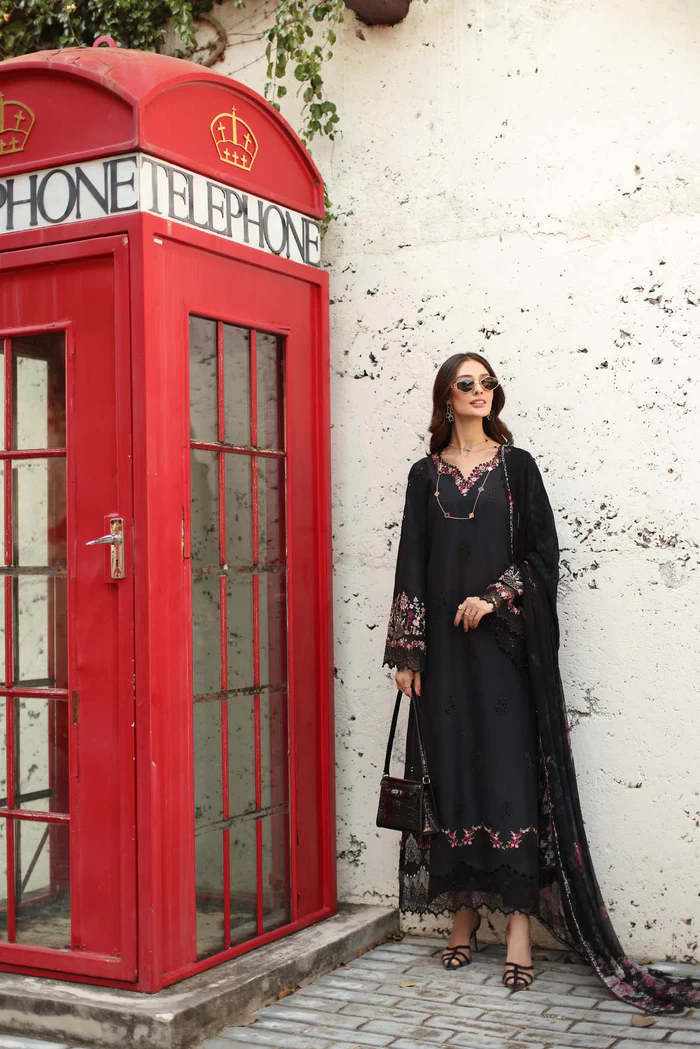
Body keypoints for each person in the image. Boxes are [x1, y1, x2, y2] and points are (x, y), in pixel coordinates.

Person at [381, 352, 700, 1011]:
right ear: (445, 397)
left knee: (510, 781)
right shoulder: (424, 475)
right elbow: (411, 560)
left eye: (487, 382)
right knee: (452, 776)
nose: (480, 391)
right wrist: (407, 653)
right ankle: (463, 916)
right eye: (466, 383)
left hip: (503, 651)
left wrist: (494, 597)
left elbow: (542, 555)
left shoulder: (517, 468)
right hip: (444, 655)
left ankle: (520, 929)